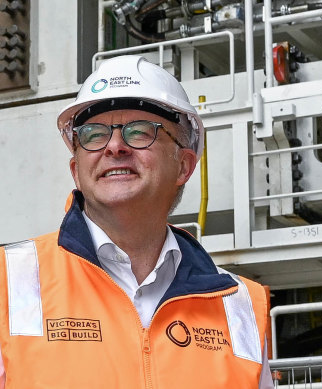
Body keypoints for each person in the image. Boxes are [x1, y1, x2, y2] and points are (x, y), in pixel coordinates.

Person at [0, 55, 274, 388]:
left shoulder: (238, 304)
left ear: (184, 166)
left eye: (140, 131)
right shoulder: (9, 283)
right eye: (94, 134)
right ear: (76, 171)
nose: (115, 146)